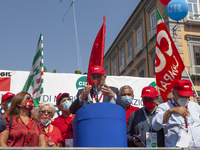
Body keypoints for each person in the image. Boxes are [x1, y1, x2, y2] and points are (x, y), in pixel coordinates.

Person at [152, 79, 200, 147]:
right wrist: (170, 112)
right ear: (174, 93)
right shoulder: (164, 107)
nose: (185, 98)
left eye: (187, 96)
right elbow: (155, 126)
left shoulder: (195, 106)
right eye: (182, 95)